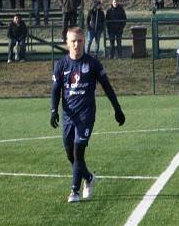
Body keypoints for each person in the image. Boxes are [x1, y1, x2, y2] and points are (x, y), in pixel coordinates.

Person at [50, 27, 125, 203]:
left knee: (78, 153)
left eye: (80, 41)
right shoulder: (61, 65)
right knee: (70, 154)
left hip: (86, 116)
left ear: (84, 41)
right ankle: (89, 178)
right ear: (67, 43)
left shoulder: (92, 64)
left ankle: (74, 191)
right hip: (68, 116)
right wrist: (53, 110)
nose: (76, 44)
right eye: (73, 41)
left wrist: (117, 109)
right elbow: (55, 90)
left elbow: (107, 87)